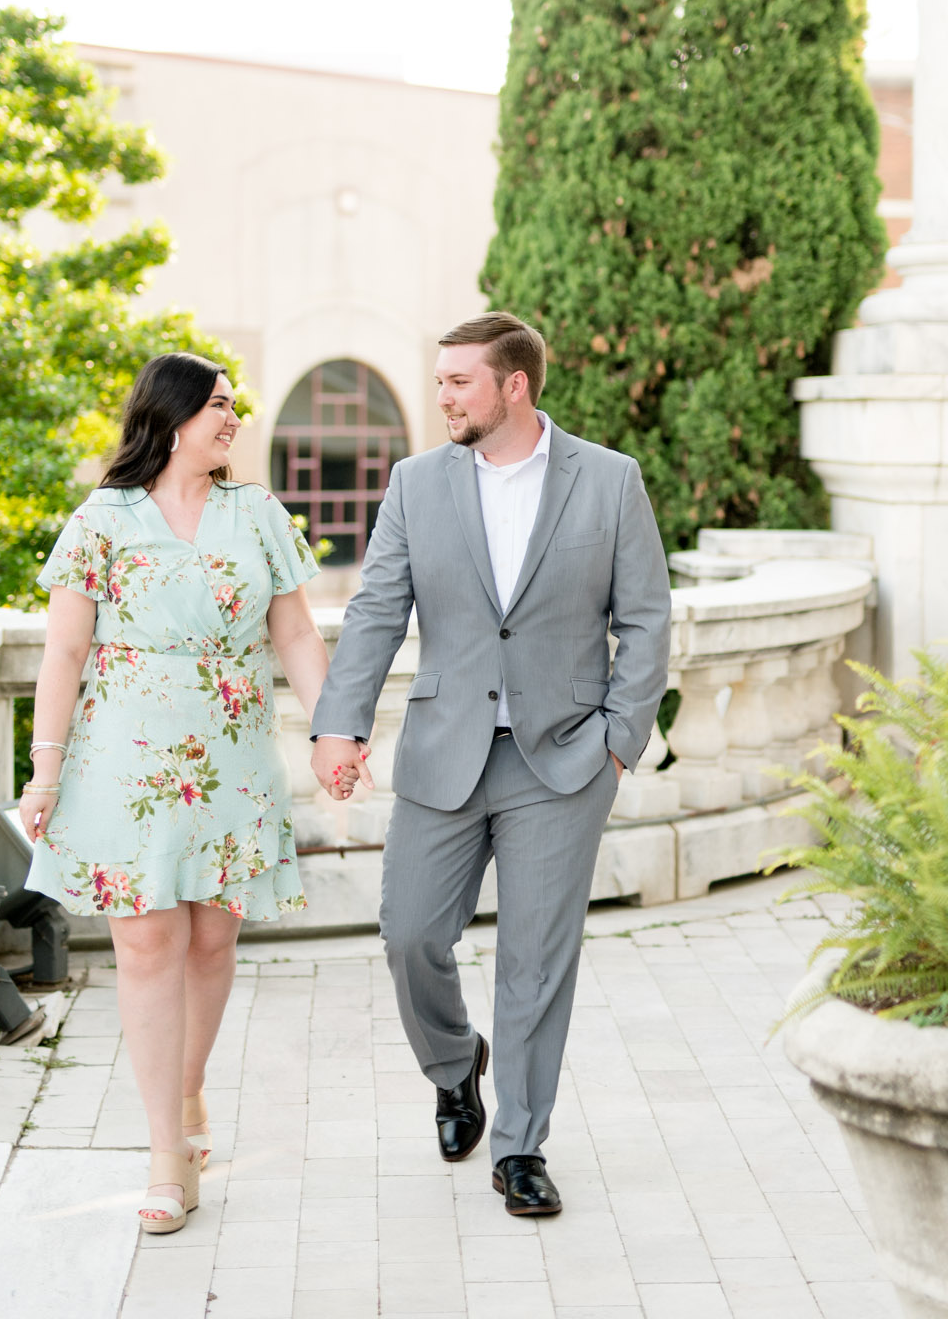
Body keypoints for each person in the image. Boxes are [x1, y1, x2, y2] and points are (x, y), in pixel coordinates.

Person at [311, 311, 671, 1217]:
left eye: (458, 382)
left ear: (513, 385)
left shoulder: (610, 481)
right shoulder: (415, 483)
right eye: (438, 382)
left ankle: (519, 1148)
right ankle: (451, 1064)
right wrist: (339, 724)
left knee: (535, 962)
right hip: (445, 753)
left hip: (562, 760)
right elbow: (376, 612)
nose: (441, 397)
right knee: (409, 936)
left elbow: (648, 618)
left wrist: (619, 738)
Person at [18, 352, 339, 1234]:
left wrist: (333, 731)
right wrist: (45, 771)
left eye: (235, 404)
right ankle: (166, 1151)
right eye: (217, 405)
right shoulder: (101, 519)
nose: (232, 418)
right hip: (125, 756)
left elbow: (300, 635)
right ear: (171, 415)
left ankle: (189, 1088)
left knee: (208, 938)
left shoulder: (258, 514)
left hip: (232, 755)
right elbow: (64, 655)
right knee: (148, 940)